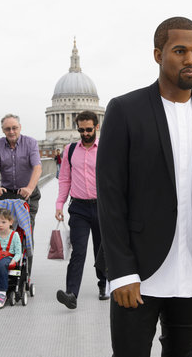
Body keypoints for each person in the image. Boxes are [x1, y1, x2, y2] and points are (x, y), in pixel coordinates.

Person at [96, 17, 192, 357]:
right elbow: (109, 196)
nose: (191, 59)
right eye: (180, 51)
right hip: (139, 272)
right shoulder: (124, 110)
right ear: (158, 54)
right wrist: (120, 272)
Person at [55, 110, 108, 309]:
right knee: (78, 251)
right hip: (78, 208)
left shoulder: (105, 148)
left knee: (101, 250)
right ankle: (71, 294)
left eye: (88, 129)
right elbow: (64, 179)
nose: (85, 133)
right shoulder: (69, 150)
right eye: (81, 130)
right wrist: (59, 204)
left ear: (96, 127)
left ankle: (103, 285)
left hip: (102, 206)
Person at [0, 114, 42, 229]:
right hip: (7, 193)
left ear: (20, 127)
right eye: (7, 129)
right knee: (4, 230)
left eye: (14, 128)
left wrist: (30, 188)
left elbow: (37, 167)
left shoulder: (31, 143)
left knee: (26, 229)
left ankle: (27, 247)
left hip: (28, 193)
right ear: (3, 130)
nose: (11, 131)